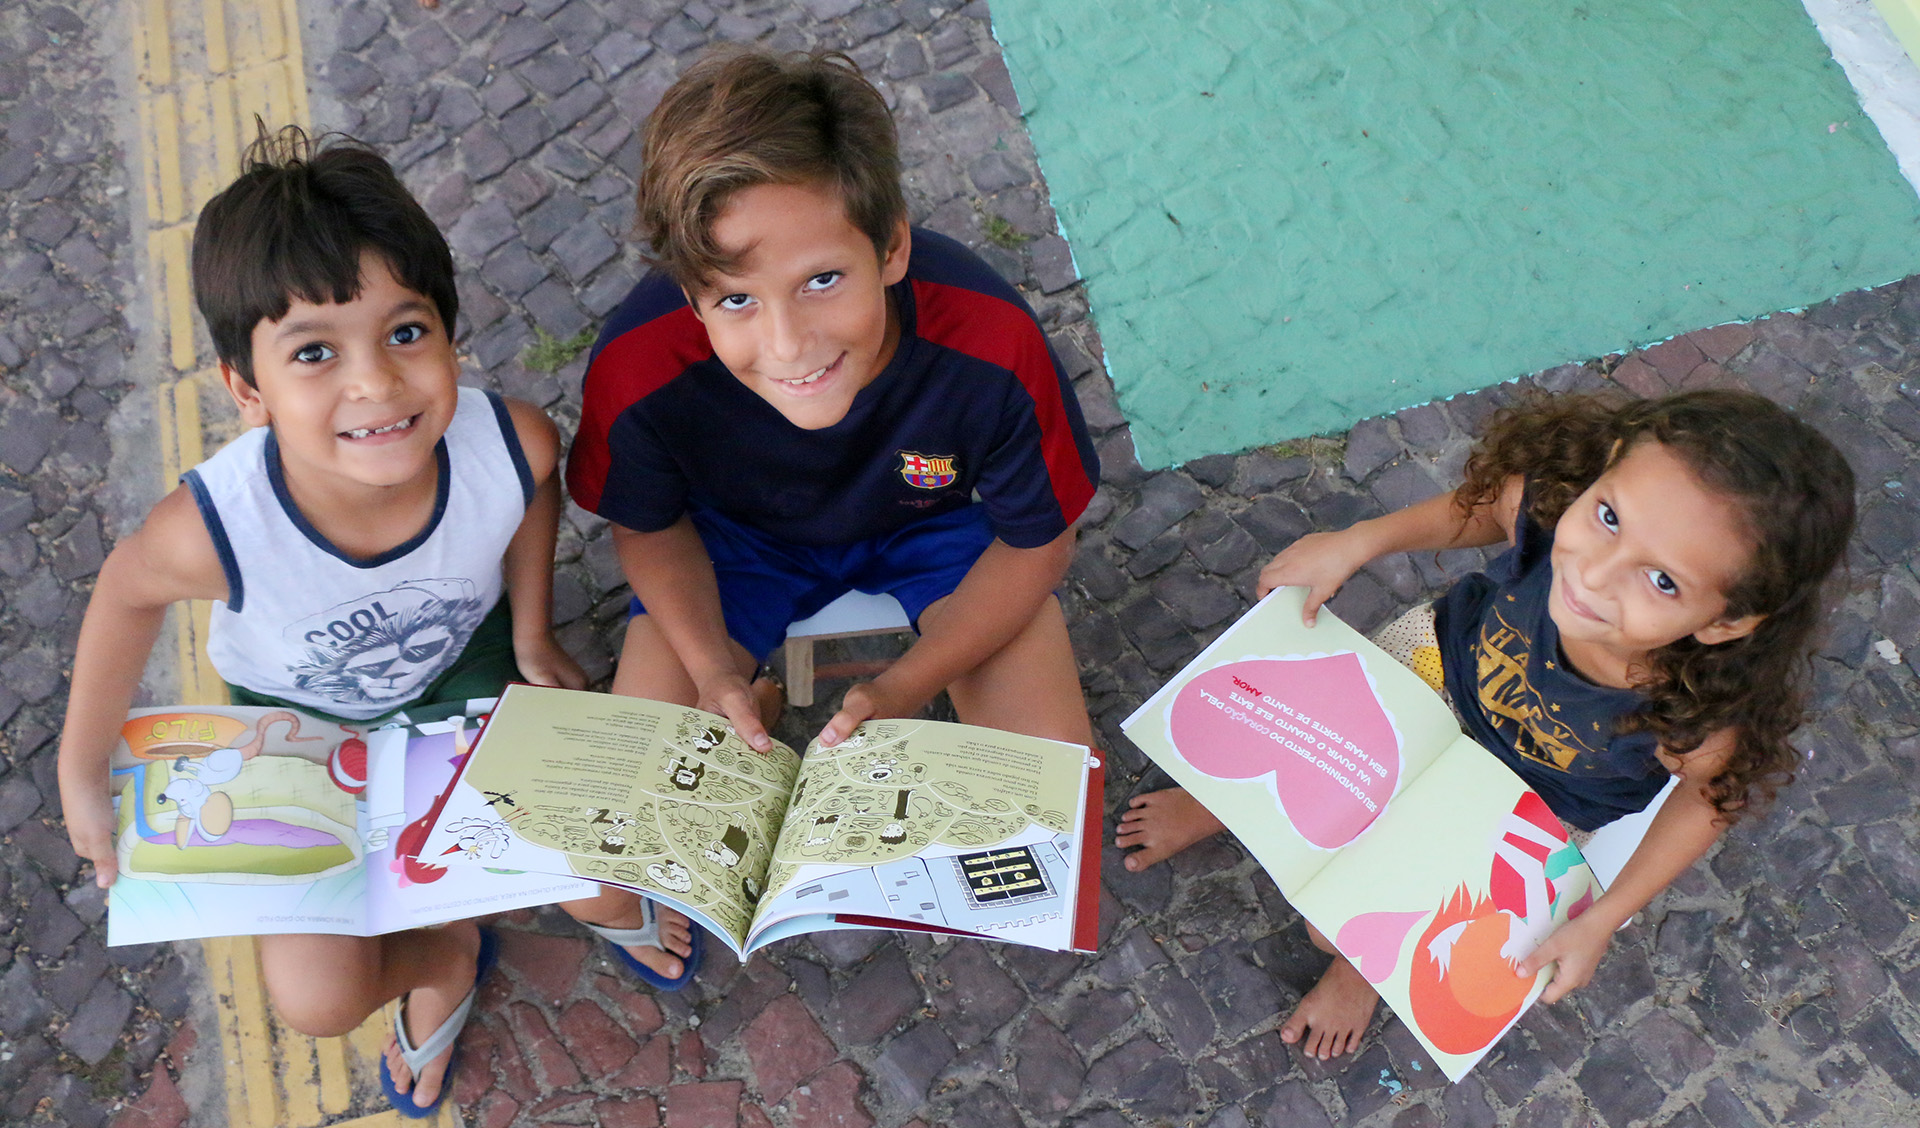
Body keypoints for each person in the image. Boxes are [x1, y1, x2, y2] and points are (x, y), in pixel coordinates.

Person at [53, 128, 653, 1118]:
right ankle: (446, 954)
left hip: (465, 669)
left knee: (607, 880)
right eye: (315, 353)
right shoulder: (217, 529)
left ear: (450, 333)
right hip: (294, 729)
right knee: (316, 997)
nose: (374, 383)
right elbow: (125, 595)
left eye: (406, 333)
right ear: (246, 389)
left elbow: (533, 490)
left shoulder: (507, 442)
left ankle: (576, 907)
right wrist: (82, 769)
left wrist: (537, 633)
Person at [1117, 389, 1855, 1060]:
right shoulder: (1547, 507)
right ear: (1598, 475)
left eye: (1662, 580)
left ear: (1725, 623)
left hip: (1523, 809)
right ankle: (1223, 801)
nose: (1595, 575)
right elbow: (1479, 508)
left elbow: (1709, 799)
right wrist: (1360, 541)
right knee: (1302, 753)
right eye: (1607, 517)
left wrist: (1603, 917)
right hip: (1430, 675)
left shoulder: (1700, 709)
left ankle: (1359, 973)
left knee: (1350, 922)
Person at [568, 47, 1099, 833]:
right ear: (689, 293)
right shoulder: (637, 366)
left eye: (822, 280)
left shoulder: (992, 342)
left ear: (891, 248)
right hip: (737, 548)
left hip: (934, 530)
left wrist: (906, 685)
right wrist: (713, 669)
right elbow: (647, 526)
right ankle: (746, 701)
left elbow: (1036, 545)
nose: (787, 345)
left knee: (1054, 812)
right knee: (615, 841)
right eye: (738, 300)